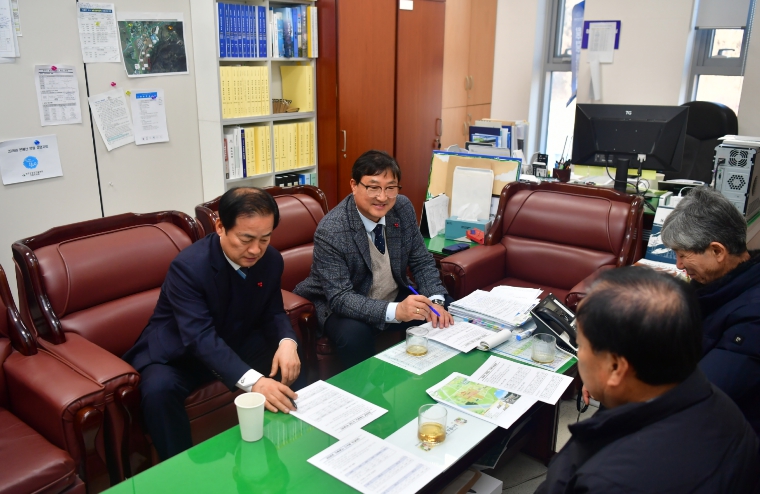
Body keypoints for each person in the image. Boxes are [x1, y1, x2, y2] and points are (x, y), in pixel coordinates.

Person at [537, 267, 759, 493]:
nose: (580, 354)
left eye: (581, 345)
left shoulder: (607, 482)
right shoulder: (722, 406)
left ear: (615, 368)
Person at [123, 187, 304, 460]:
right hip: (180, 355)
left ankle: (290, 440)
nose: (255, 250)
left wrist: (288, 343)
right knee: (158, 391)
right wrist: (255, 382)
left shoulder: (271, 260)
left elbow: (273, 312)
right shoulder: (188, 267)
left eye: (265, 239)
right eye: (246, 239)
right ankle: (178, 469)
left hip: (232, 339)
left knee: (287, 360)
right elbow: (199, 337)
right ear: (220, 227)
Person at [294, 150, 454, 369]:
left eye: (390, 188)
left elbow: (421, 260)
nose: (382, 197)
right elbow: (340, 297)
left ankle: (435, 373)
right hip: (341, 303)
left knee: (445, 311)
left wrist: (436, 301)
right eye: (373, 187)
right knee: (354, 335)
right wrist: (396, 311)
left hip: (391, 293)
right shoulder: (332, 229)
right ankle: (367, 387)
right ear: (354, 185)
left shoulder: (401, 207)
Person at [661, 186, 760, 441]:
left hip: (727, 437)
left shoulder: (752, 318)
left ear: (717, 251)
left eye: (683, 255)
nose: (679, 265)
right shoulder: (716, 286)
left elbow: (699, 396)